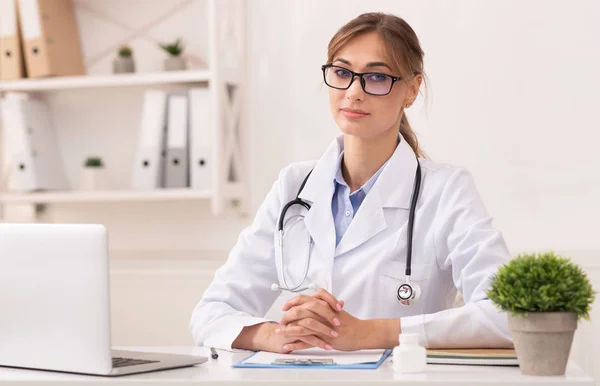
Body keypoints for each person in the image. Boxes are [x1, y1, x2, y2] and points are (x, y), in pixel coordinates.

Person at [189, 12, 513, 353]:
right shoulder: (294, 185)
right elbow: (209, 314)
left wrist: (371, 333)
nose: (354, 92)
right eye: (342, 73)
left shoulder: (446, 190)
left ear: (412, 90)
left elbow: (506, 316)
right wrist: (276, 334)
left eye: (376, 77)